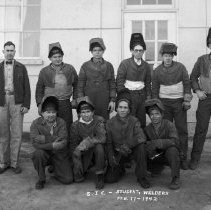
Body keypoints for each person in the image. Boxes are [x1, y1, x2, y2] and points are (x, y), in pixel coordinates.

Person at [152, 43, 192, 170]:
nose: (168, 58)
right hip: (164, 104)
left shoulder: (180, 67)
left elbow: (187, 83)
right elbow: (155, 89)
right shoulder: (157, 71)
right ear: (162, 57)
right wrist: (157, 106)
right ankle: (167, 158)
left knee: (181, 130)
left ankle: (183, 157)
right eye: (165, 56)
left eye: (170, 56)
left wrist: (186, 100)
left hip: (179, 103)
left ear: (173, 56)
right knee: (166, 131)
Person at [105, 90, 150, 189]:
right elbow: (108, 143)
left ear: (129, 110)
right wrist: (111, 156)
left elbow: (141, 137)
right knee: (110, 179)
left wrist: (127, 145)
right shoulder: (109, 123)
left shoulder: (134, 121)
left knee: (141, 147)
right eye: (120, 107)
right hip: (119, 153)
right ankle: (120, 169)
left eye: (125, 108)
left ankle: (141, 176)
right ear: (116, 108)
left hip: (131, 152)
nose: (123, 110)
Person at [0, 41, 31, 174]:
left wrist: (26, 104)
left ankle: (14, 163)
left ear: (15, 52)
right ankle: (3, 163)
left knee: (17, 133)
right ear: (3, 52)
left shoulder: (21, 67)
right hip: (2, 101)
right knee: (3, 133)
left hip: (17, 101)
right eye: (7, 50)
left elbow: (27, 88)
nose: (9, 53)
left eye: (11, 50)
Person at [31, 95, 73, 189]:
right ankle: (41, 179)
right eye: (48, 112)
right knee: (38, 154)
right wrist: (53, 144)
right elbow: (35, 144)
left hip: (59, 154)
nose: (51, 115)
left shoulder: (61, 122)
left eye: (53, 112)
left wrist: (45, 139)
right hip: (45, 153)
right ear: (42, 113)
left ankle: (55, 167)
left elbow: (64, 141)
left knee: (68, 180)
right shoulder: (35, 124)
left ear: (57, 112)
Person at [36, 42, 78, 132]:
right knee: (50, 126)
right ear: (50, 58)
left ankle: (66, 145)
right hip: (49, 103)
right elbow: (39, 89)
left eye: (59, 56)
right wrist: (40, 103)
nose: (57, 59)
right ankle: (52, 145)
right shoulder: (44, 71)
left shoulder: (69, 69)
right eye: (55, 57)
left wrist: (75, 99)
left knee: (66, 126)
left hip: (65, 103)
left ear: (62, 57)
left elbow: (76, 84)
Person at [70, 96, 106, 189]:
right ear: (79, 113)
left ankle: (100, 175)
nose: (86, 115)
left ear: (93, 112)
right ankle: (83, 168)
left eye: (88, 112)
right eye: (83, 112)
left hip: (95, 149)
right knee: (75, 175)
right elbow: (73, 144)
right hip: (84, 151)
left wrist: (88, 142)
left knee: (99, 147)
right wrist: (76, 154)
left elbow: (102, 138)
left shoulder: (99, 120)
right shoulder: (75, 125)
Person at [116, 33, 151, 128]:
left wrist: (148, 97)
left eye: (141, 50)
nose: (138, 53)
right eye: (136, 50)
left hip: (141, 95)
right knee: (128, 120)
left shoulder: (146, 65)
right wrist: (123, 96)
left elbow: (148, 83)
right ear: (132, 51)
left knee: (141, 120)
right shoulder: (125, 64)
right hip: (128, 95)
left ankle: (140, 141)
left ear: (143, 51)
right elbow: (119, 81)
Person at [144, 99, 181, 190]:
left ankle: (175, 177)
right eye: (151, 114)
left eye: (157, 114)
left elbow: (175, 141)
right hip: (156, 156)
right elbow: (144, 143)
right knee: (142, 150)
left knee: (173, 150)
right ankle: (155, 168)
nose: (154, 116)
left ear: (162, 114)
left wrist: (159, 142)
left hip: (167, 154)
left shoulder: (169, 125)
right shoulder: (147, 129)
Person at [77, 38, 116, 120]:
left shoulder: (108, 66)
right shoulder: (85, 66)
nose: (97, 52)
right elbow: (80, 84)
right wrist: (81, 100)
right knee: (89, 120)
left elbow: (112, 83)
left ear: (103, 51)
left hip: (104, 99)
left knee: (104, 120)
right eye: (95, 50)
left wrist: (112, 100)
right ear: (91, 52)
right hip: (89, 98)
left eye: (100, 50)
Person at [189, 28, 211, 170]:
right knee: (201, 129)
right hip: (206, 99)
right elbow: (193, 77)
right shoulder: (202, 59)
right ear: (209, 44)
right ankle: (195, 159)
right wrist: (197, 90)